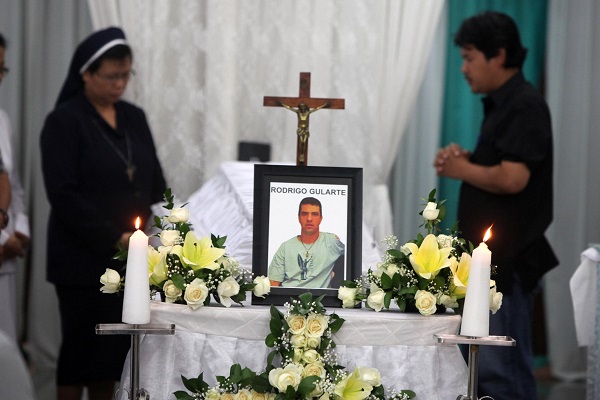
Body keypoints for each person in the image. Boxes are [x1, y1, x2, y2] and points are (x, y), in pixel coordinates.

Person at [434, 11, 558, 400]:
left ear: (499, 55)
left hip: (509, 263)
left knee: (502, 375)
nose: (464, 68)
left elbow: (513, 178)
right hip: (495, 262)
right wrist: (470, 160)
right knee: (486, 371)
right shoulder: (504, 104)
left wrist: (462, 169)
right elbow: (504, 164)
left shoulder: (524, 104)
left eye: (470, 57)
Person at [40, 27, 166, 400]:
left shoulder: (134, 117)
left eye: (125, 75)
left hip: (130, 259)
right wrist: (115, 237)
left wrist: (161, 225)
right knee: (78, 352)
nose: (119, 84)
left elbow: (155, 180)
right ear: (86, 74)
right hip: (80, 258)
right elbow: (63, 195)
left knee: (111, 357)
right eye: (111, 76)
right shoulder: (64, 121)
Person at [0, 32, 31, 343]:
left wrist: (19, 231)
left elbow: (14, 182)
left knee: (5, 348)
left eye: (2, 69)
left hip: (6, 252)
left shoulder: (3, 120)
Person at [269, 197, 344, 288]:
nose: (309, 219)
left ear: (320, 218)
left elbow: (352, 256)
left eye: (314, 214)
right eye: (304, 214)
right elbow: (273, 284)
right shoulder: (286, 247)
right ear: (299, 217)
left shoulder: (331, 242)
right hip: (289, 294)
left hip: (320, 296)